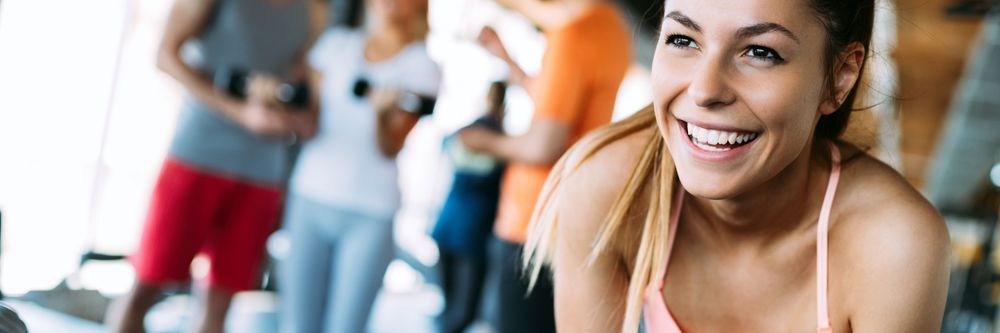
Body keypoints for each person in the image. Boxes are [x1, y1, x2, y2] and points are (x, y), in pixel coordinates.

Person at [522, 0, 951, 332]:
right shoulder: (608, 186)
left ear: (839, 76)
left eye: (760, 51)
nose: (705, 90)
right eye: (683, 40)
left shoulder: (894, 243)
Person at [113, 0, 325, 332]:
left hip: (263, 171)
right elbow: (165, 56)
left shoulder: (313, 11)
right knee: (148, 286)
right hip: (197, 157)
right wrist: (238, 112)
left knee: (219, 305)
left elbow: (299, 78)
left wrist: (295, 114)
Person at [459, 0, 632, 331]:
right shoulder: (611, 29)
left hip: (530, 222)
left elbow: (543, 145)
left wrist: (481, 141)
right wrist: (506, 58)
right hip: (566, 219)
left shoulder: (573, 34)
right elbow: (555, 103)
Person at [276, 0, 440, 331]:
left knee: (346, 327)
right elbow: (309, 126)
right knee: (296, 325)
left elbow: (389, 147)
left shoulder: (423, 66)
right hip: (311, 196)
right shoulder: (335, 46)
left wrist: (381, 115)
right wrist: (279, 101)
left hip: (370, 211)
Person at [432, 81, 508, 333]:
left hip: (449, 225)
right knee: (463, 312)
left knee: (451, 308)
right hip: (472, 233)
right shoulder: (501, 141)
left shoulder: (464, 134)